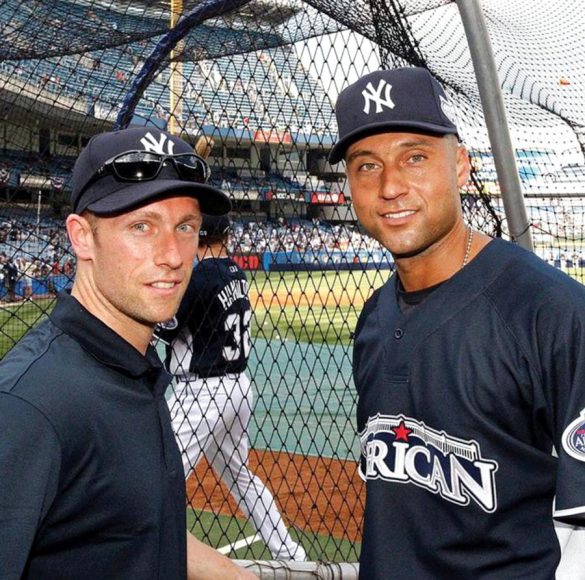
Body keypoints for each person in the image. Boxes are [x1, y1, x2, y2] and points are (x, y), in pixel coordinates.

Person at [329, 67, 585, 578]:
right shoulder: (374, 320)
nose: (390, 186)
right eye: (365, 166)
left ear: (462, 167)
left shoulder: (554, 313)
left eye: (415, 157)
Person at [0, 126, 257, 580]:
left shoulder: (134, 366)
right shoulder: (30, 407)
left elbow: (132, 523)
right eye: (141, 226)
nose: (173, 255)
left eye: (185, 227)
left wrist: (237, 576)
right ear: (81, 237)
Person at [156, 214, 307, 562]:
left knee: (163, 473)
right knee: (241, 476)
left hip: (202, 393)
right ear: (225, 233)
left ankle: (158, 553)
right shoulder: (235, 273)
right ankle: (291, 555)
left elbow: (162, 329)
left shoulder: (197, 278)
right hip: (238, 388)